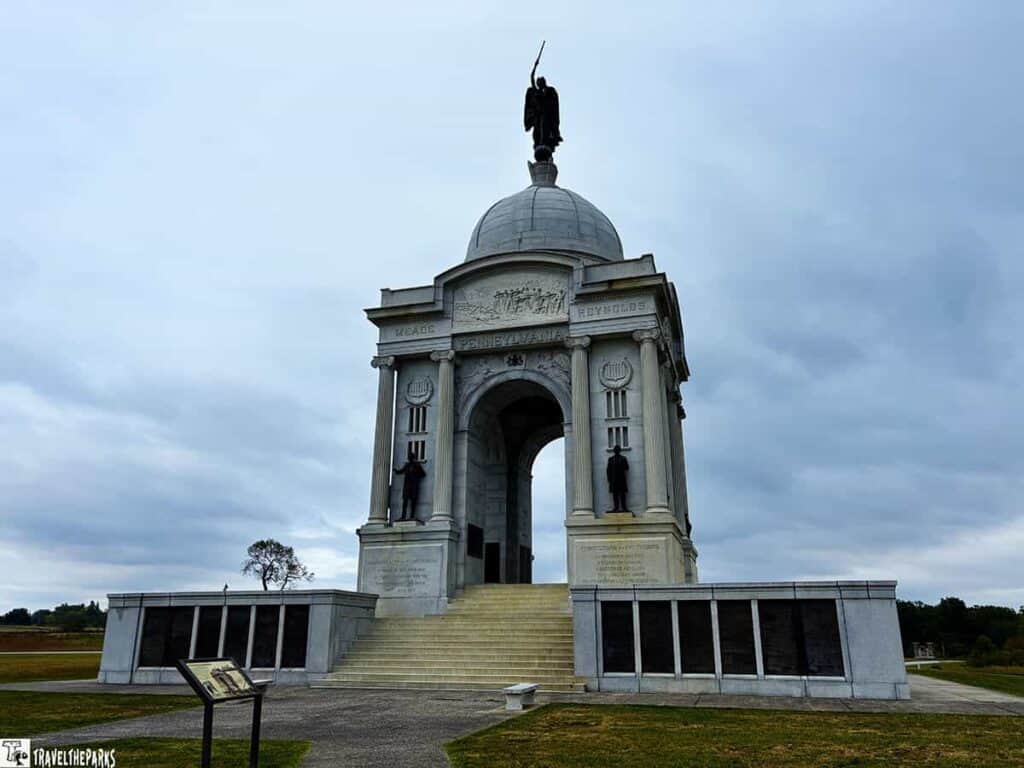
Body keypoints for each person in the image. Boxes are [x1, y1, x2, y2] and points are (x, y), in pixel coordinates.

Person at [394, 447, 426, 522]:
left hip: (414, 485)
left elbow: (423, 474)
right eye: (409, 457)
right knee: (405, 501)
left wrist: (416, 476)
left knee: (413, 502)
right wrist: (396, 471)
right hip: (407, 486)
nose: (409, 458)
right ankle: (403, 516)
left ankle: (412, 516)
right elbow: (401, 471)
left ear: (413, 457)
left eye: (410, 456)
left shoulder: (417, 465)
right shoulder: (407, 465)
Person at [606, 445, 629, 513]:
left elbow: (627, 467)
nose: (616, 450)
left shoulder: (623, 458)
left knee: (622, 494)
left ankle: (624, 507)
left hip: (621, 479)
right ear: (614, 451)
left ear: (619, 450)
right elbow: (608, 470)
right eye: (615, 449)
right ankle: (616, 508)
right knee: (615, 494)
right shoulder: (611, 459)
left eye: (617, 449)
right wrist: (609, 479)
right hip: (613, 480)